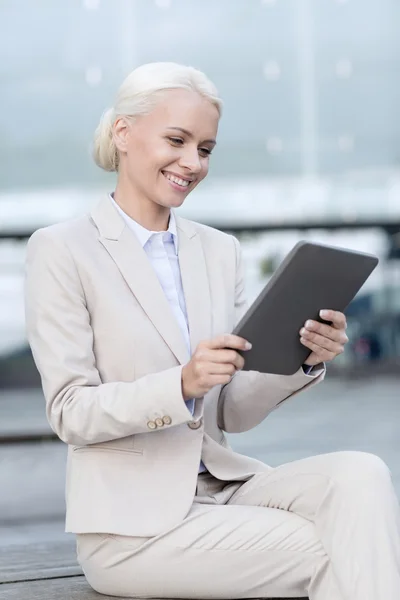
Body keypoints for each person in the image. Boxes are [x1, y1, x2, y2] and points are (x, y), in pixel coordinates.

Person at [24, 62, 400, 600]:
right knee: (341, 546)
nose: (192, 162)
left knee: (361, 473)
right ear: (123, 133)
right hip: (133, 530)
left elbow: (233, 413)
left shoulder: (219, 251)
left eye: (205, 148)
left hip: (226, 489)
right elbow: (70, 411)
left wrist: (303, 359)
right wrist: (181, 384)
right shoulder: (62, 249)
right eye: (176, 140)